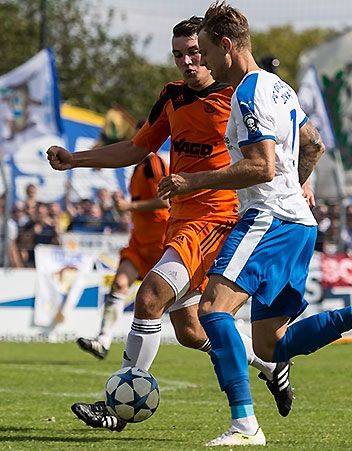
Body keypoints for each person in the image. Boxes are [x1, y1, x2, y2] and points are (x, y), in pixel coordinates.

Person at [156, 3, 352, 445]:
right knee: (271, 345)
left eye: (209, 53)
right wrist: (298, 184)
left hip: (268, 218)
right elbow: (313, 145)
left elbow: (261, 167)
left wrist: (191, 180)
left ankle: (244, 425)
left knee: (213, 311)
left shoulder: (249, 93)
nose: (206, 63)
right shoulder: (280, 88)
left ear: (226, 46)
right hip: (298, 222)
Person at [48, 17, 294, 431]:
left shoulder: (241, 95)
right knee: (192, 331)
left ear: (215, 50)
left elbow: (286, 144)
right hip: (181, 223)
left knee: (148, 298)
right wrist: (76, 159)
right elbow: (134, 147)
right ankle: (270, 363)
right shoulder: (172, 98)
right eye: (179, 55)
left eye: (194, 52)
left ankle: (118, 404)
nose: (187, 61)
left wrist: (301, 182)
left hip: (217, 221)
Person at [76, 152, 170, 360]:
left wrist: (130, 206)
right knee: (119, 284)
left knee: (185, 315)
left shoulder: (153, 164)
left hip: (160, 242)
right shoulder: (139, 166)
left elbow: (165, 201)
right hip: (138, 241)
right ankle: (103, 340)